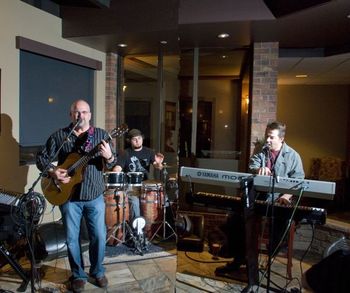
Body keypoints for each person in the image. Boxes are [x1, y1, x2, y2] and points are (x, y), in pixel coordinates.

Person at [36, 100, 118, 292]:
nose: (80, 115)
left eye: (83, 112)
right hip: (68, 197)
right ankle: (78, 275)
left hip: (94, 195)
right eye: (76, 112)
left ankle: (97, 272)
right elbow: (42, 158)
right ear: (70, 115)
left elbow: (114, 163)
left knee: (98, 235)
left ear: (89, 115)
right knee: (72, 238)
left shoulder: (101, 136)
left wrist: (108, 157)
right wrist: (53, 171)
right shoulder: (61, 136)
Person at [215, 121, 305, 277]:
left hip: (279, 199)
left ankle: (270, 257)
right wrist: (258, 169)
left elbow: (299, 181)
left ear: (281, 139)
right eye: (266, 136)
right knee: (236, 219)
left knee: (281, 224)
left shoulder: (293, 156)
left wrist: (285, 196)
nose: (267, 140)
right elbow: (252, 165)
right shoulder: (261, 150)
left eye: (271, 137)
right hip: (259, 197)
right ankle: (239, 258)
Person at [113, 128, 164, 222]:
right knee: (135, 203)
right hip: (131, 186)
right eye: (134, 139)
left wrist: (159, 164)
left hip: (146, 185)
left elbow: (157, 166)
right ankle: (137, 231)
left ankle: (150, 227)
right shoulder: (125, 153)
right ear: (130, 141)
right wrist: (114, 171)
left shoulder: (149, 152)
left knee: (161, 199)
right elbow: (118, 168)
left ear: (142, 139)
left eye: (139, 138)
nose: (137, 141)